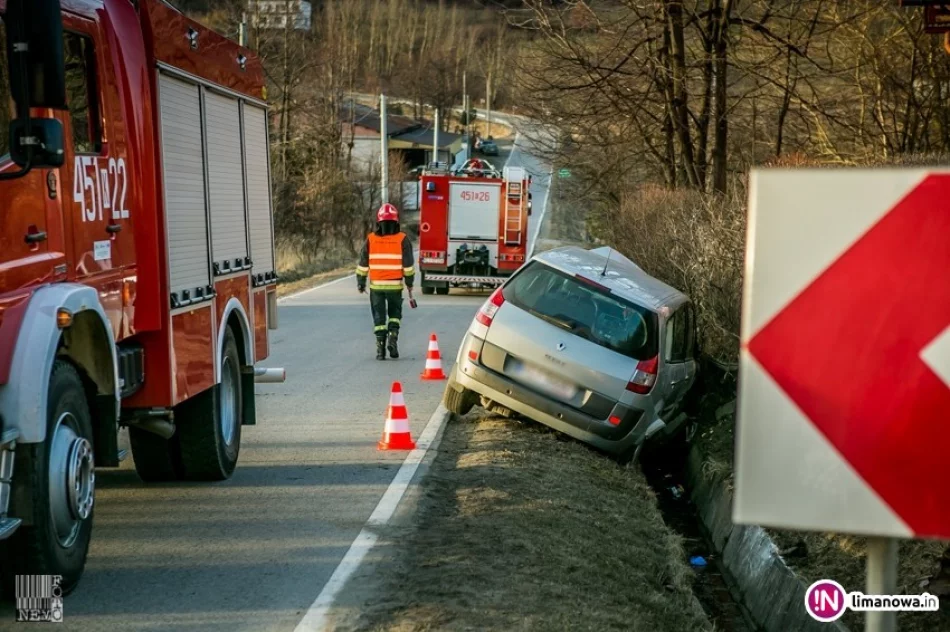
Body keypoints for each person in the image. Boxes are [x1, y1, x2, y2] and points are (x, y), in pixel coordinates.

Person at [356, 203, 415, 360]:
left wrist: (361, 282)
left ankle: (380, 350)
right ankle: (393, 338)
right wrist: (409, 283)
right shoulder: (402, 239)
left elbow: (363, 263)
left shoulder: (371, 239)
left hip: (376, 287)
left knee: (379, 318)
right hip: (395, 287)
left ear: (379, 222)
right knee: (395, 315)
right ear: (396, 222)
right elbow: (408, 266)